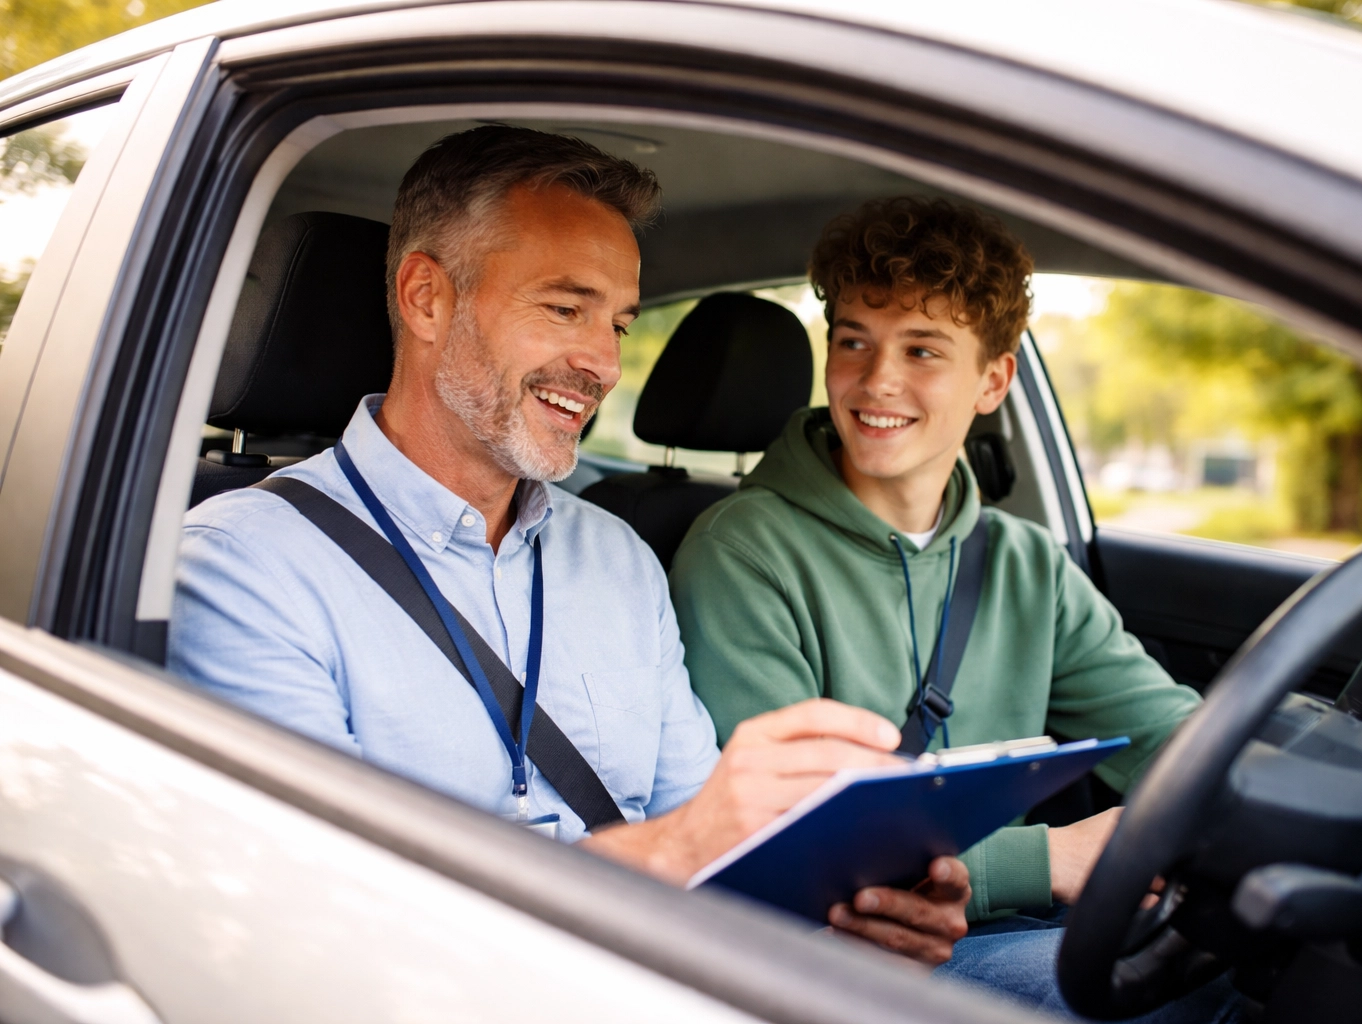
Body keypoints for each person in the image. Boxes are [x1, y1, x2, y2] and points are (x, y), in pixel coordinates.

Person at [169, 127, 969, 966]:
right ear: (426, 298)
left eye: (618, 324)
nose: (603, 363)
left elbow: (700, 828)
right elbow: (332, 921)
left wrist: (845, 910)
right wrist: (672, 851)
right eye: (564, 308)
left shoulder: (619, 560)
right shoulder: (239, 567)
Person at [669, 197, 1237, 1019]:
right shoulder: (742, 553)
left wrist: (1249, 798)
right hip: (857, 954)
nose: (877, 381)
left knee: (1249, 956)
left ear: (993, 382)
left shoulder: (1022, 562)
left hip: (1023, 929)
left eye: (922, 350)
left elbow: (1169, 739)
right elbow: (791, 843)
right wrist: (1052, 858)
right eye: (854, 340)